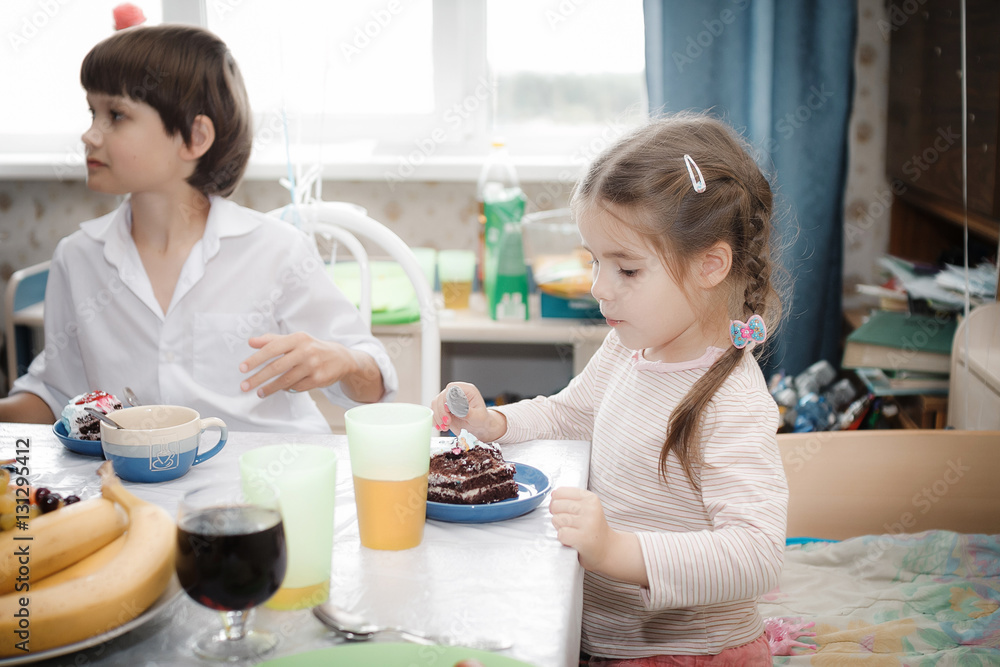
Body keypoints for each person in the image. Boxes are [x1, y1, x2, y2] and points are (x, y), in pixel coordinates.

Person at [432, 114, 788, 665]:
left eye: (627, 270)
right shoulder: (629, 346)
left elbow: (757, 554)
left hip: (690, 653)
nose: (599, 288)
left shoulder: (731, 401)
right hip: (605, 641)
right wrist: (492, 423)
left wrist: (615, 550)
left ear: (710, 265)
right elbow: (569, 415)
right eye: (596, 262)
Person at [0, 25, 396, 433]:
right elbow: (56, 395)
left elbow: (374, 383)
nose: (89, 134)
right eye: (91, 112)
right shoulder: (77, 257)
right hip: (139, 489)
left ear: (194, 137)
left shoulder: (277, 251)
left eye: (115, 115)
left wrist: (344, 361)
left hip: (268, 485)